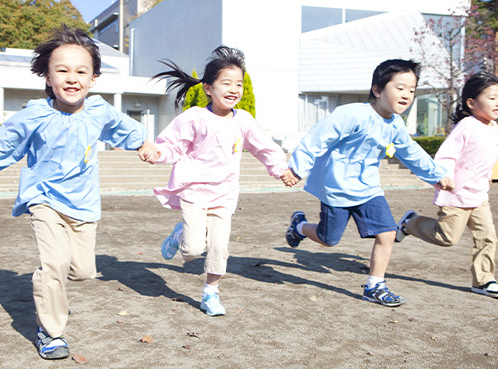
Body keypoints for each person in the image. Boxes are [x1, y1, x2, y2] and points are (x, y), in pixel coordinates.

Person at [0, 27, 158, 360]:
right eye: (62, 70)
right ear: (47, 75)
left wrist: (142, 143)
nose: (72, 78)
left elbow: (123, 128)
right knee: (54, 263)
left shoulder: (99, 110)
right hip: (44, 200)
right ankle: (51, 331)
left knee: (83, 271)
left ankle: (53, 283)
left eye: (81, 71)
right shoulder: (34, 115)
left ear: (94, 78)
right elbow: (5, 145)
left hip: (84, 205)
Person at [283, 59, 454, 307]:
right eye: (400, 88)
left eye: (412, 90)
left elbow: (411, 152)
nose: (407, 95)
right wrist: (297, 168)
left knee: (387, 232)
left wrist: (436, 175)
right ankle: (299, 226)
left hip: (369, 189)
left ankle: (375, 285)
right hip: (337, 188)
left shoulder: (395, 124)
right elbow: (318, 138)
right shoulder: (352, 114)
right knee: (328, 239)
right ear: (377, 90)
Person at [150, 46, 289, 316]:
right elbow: (172, 145)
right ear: (208, 88)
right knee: (192, 249)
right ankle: (180, 235)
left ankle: (210, 293)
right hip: (194, 191)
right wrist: (157, 154)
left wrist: (280, 169)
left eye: (238, 84)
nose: (234, 89)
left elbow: (265, 148)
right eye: (226, 83)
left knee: (219, 246)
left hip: (224, 194)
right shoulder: (194, 117)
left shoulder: (244, 120)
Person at [395, 72, 498, 299]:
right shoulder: (467, 126)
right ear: (471, 103)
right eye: (492, 98)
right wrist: (445, 176)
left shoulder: (493, 127)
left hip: (479, 194)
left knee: (488, 236)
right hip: (457, 193)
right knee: (447, 238)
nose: (497, 102)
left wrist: (487, 175)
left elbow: (485, 156)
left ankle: (483, 280)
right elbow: (447, 156)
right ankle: (411, 223)